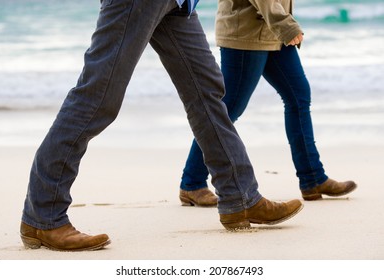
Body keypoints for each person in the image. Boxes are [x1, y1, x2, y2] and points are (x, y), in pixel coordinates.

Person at [20, 0, 304, 252]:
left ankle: (241, 197)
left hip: (180, 5)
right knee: (97, 98)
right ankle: (44, 216)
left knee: (207, 92)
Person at [179, 0, 357, 207]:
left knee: (298, 97)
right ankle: (192, 184)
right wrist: (286, 25)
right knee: (228, 109)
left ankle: (313, 178)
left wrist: (282, 24)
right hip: (246, 33)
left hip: (273, 32)